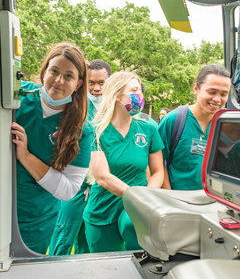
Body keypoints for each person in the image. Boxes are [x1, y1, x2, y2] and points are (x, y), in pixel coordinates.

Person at [11, 42, 93, 254]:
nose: (59, 80)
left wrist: (26, 156)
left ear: (78, 84)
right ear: (44, 70)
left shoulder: (81, 129)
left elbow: (68, 190)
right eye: (54, 71)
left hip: (34, 220)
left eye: (68, 76)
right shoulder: (16, 97)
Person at [83, 72, 165, 252]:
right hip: (103, 210)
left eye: (140, 91)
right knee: (105, 269)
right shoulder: (94, 131)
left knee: (139, 265)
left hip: (137, 210)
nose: (140, 96)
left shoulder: (148, 128)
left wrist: (146, 198)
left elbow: (158, 171)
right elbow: (103, 178)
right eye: (134, 90)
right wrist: (138, 197)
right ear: (116, 95)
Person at [48, 59, 112, 255]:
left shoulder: (114, 109)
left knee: (88, 241)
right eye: (91, 82)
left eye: (102, 83)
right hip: (76, 182)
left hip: (100, 186)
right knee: (64, 236)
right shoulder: (74, 104)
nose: (97, 88)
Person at [158, 64, 231, 190]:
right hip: (178, 201)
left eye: (224, 94)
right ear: (196, 89)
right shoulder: (173, 120)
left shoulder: (227, 124)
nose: (217, 99)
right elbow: (156, 163)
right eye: (212, 92)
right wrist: (170, 197)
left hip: (214, 202)